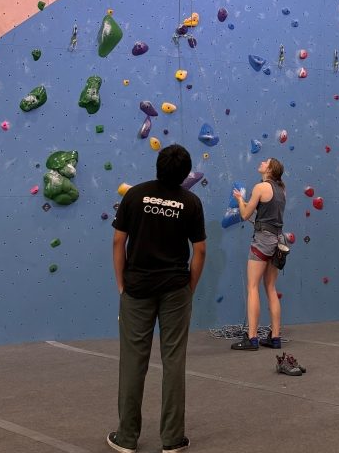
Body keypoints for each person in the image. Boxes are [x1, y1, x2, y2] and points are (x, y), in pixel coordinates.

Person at [109, 145, 206, 453]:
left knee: (132, 362)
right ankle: (173, 439)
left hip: (136, 289)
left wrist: (121, 284)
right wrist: (189, 287)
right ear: (185, 172)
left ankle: (126, 438)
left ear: (158, 166)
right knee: (174, 360)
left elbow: (118, 241)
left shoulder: (135, 195)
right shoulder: (191, 202)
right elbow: (200, 250)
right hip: (176, 289)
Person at [230, 157, 287, 351]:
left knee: (253, 286)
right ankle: (275, 337)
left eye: (265, 162)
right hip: (278, 241)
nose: (262, 163)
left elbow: (245, 215)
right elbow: (265, 214)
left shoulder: (260, 187)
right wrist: (245, 202)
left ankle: (252, 338)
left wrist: (240, 200)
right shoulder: (282, 190)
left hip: (262, 241)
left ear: (269, 169)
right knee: (270, 287)